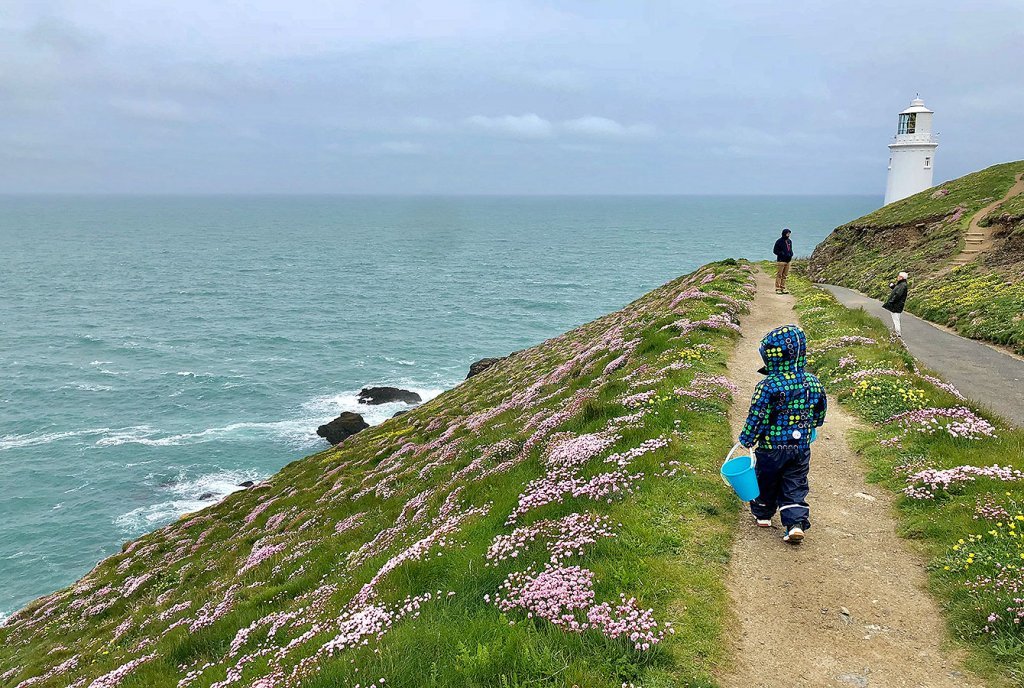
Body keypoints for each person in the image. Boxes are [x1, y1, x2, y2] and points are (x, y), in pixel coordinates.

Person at [738, 325, 827, 544]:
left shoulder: (767, 386)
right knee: (795, 483)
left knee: (766, 479)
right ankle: (795, 524)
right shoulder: (813, 382)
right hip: (800, 448)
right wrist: (813, 424)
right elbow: (820, 409)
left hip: (771, 447)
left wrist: (747, 438)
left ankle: (763, 514)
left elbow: (757, 416)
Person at [882, 272, 909, 338]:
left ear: (901, 277)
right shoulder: (901, 284)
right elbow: (898, 290)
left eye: (899, 276)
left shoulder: (902, 285)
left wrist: (891, 301)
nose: (897, 277)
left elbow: (898, 294)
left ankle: (897, 333)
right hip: (897, 305)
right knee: (895, 318)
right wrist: (893, 286)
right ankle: (895, 332)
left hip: (896, 305)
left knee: (896, 319)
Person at [772, 228, 794, 294]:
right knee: (779, 275)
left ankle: (782, 288)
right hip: (781, 261)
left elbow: (790, 249)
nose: (788, 235)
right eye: (787, 233)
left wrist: (791, 254)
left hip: (788, 261)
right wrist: (782, 254)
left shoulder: (789, 241)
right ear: (784, 233)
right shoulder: (779, 241)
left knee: (785, 275)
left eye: (789, 233)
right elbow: (775, 251)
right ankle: (777, 288)